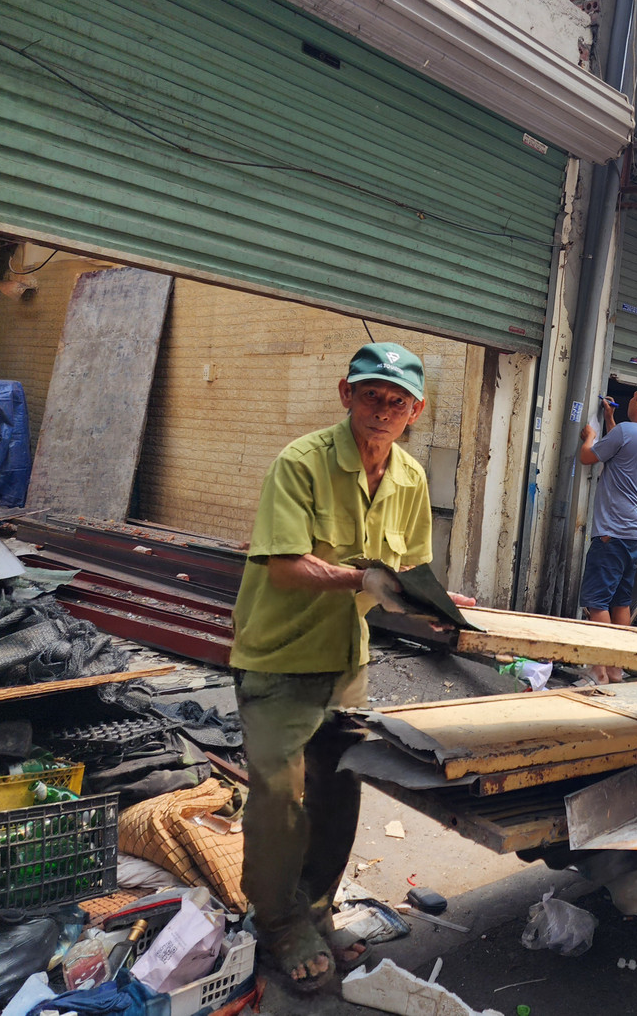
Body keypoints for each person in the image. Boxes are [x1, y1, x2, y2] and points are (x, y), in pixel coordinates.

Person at [230, 342, 474, 991]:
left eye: (397, 401)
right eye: (372, 395)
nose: (383, 409)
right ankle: (280, 925)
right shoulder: (301, 463)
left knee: (341, 789)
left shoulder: (411, 480)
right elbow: (286, 563)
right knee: (280, 798)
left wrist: (439, 608)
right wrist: (360, 575)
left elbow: (406, 575)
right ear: (346, 394)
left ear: (414, 411)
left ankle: (315, 911)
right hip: (279, 658)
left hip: (345, 662)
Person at [578, 380, 637, 683]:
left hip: (612, 532)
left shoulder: (625, 433)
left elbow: (587, 456)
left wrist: (590, 436)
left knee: (596, 603)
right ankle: (617, 669)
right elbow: (623, 447)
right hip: (635, 534)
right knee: (620, 602)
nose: (630, 400)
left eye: (633, 396)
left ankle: (599, 671)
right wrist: (609, 420)